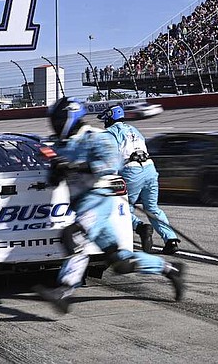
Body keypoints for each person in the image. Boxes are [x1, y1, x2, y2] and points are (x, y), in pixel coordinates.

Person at [34, 97, 185, 314]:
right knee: (121, 262)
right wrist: (56, 170)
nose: (54, 126)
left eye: (58, 121)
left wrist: (76, 165)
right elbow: (53, 180)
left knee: (74, 236)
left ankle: (64, 290)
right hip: (81, 204)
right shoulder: (60, 145)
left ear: (70, 117)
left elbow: (111, 164)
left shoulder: (96, 137)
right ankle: (170, 269)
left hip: (99, 198)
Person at [99, 105, 180, 254]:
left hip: (131, 171)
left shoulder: (110, 133)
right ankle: (171, 240)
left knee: (122, 209)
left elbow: (110, 159)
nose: (104, 123)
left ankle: (141, 228)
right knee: (152, 208)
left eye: (105, 119)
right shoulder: (134, 130)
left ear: (110, 118)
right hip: (150, 168)